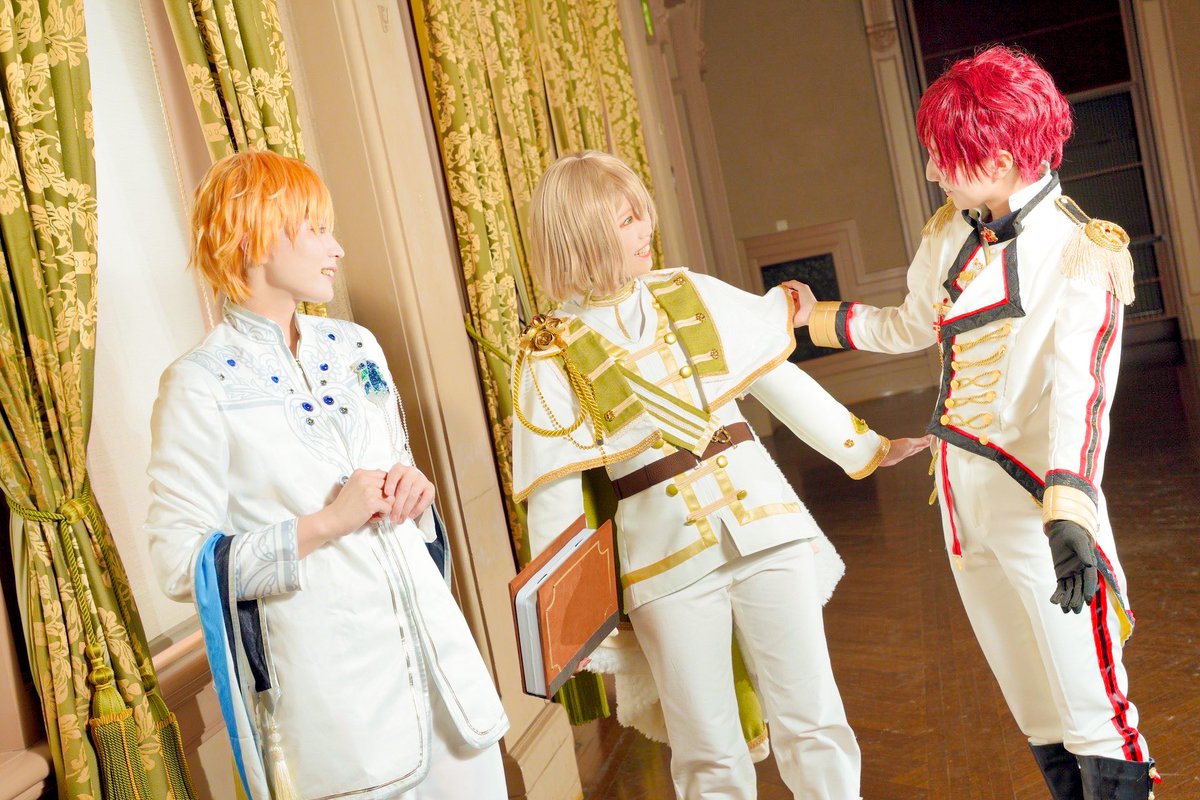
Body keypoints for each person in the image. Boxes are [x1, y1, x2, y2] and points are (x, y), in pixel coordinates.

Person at [787, 46, 1157, 800]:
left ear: (1000, 159)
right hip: (961, 504)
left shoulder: (1082, 250)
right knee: (1036, 709)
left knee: (1093, 710)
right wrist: (814, 318)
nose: (932, 172)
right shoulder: (953, 230)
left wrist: (1071, 512)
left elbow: (1083, 393)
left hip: (1039, 507)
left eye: (943, 155)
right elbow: (910, 324)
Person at [511, 150, 927, 799]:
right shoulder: (549, 354)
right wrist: (568, 618)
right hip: (663, 563)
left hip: (766, 526)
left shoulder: (689, 291)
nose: (646, 228)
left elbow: (773, 378)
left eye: (641, 213)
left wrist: (865, 447)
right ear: (585, 235)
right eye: (627, 219)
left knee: (814, 719)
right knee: (707, 753)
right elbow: (554, 492)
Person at [145, 150, 508, 800]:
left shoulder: (355, 346)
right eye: (315, 229)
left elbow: (396, 469)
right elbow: (179, 563)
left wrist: (415, 494)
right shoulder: (198, 385)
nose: (336, 248)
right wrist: (324, 524)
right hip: (343, 715)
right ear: (253, 236)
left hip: (445, 680)